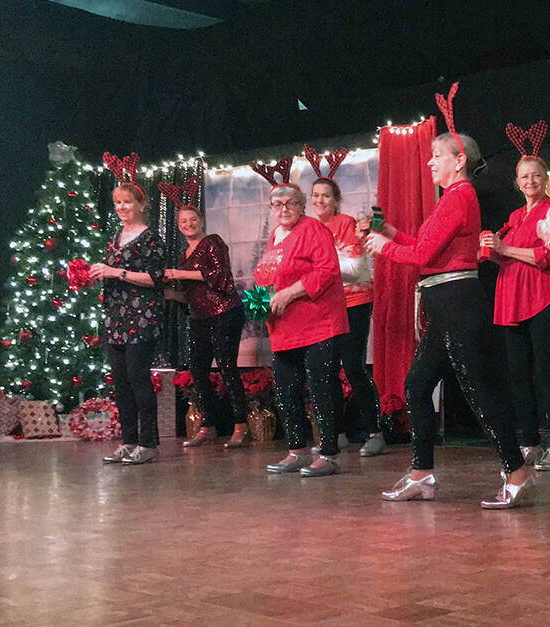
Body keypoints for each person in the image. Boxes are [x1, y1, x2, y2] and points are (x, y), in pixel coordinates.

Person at [364, 127, 537, 509]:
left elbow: (424, 256)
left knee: (479, 392)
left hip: (459, 305)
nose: (429, 162)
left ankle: (517, 471)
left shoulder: (460, 198)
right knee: (416, 386)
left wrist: (384, 246)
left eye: (437, 156)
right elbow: (429, 248)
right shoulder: (453, 199)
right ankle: (421, 472)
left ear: (459, 162)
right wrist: (390, 233)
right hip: (447, 307)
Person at [479, 152, 550, 471]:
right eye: (524, 177)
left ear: (545, 178)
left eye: (536, 175)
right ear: (517, 183)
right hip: (512, 299)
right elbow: (504, 257)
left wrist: (504, 249)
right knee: (518, 374)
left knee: (545, 371)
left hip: (543, 297)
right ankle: (529, 442)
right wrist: (492, 251)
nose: (530, 181)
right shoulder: (515, 216)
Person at [252, 179, 349, 477]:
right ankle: (296, 451)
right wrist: (261, 298)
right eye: (277, 204)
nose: (284, 209)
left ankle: (329, 453)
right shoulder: (275, 237)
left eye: (290, 203)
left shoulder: (313, 229)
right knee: (285, 390)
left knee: (321, 388)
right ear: (271, 209)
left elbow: (327, 270)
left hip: (319, 323)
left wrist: (289, 292)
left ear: (301, 206)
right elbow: (267, 274)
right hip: (285, 328)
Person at [91, 178, 166, 465]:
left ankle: (148, 443)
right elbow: (110, 271)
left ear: (141, 205)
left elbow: (154, 279)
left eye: (127, 202)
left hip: (141, 317)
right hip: (116, 318)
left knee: (137, 378)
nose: (121, 207)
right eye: (117, 203)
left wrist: (116, 273)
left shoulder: (150, 238)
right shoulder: (116, 236)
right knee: (121, 382)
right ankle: (129, 441)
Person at [163, 202, 248, 449]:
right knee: (198, 370)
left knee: (226, 366)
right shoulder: (183, 257)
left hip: (225, 312)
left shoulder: (213, 242)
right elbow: (191, 295)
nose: (188, 224)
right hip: (200, 316)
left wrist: (178, 274)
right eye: (183, 222)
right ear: (178, 227)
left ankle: (240, 424)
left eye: (192, 219)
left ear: (201, 220)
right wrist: (171, 294)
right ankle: (208, 425)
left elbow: (218, 275)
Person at [310, 177, 385, 457]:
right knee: (326, 370)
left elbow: (355, 269)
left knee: (353, 366)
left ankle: (375, 432)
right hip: (326, 306)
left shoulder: (345, 223)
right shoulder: (312, 229)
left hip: (355, 301)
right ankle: (335, 433)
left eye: (326, 196)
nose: (320, 201)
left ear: (335, 199)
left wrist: (320, 268)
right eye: (315, 196)